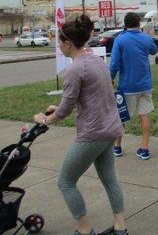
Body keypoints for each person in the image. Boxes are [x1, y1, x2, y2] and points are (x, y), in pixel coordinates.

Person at [33, 15, 127, 235]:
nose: (59, 46)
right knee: (110, 180)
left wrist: (44, 119)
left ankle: (84, 230)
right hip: (110, 129)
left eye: (59, 42)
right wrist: (59, 107)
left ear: (68, 43)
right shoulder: (95, 60)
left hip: (93, 134)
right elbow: (91, 98)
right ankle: (120, 228)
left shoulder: (74, 70)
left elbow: (64, 112)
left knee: (65, 182)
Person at [110, 12, 158, 160]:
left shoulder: (120, 40)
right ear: (139, 24)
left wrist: (109, 79)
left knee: (122, 117)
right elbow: (154, 50)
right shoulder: (146, 38)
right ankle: (144, 149)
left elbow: (114, 64)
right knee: (144, 115)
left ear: (125, 24)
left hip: (127, 86)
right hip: (145, 84)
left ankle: (117, 147)